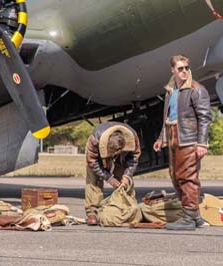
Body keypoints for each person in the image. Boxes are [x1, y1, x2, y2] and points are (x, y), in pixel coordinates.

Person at [153, 54, 212, 230]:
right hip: (173, 137)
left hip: (188, 140)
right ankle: (195, 217)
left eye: (186, 68)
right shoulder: (170, 90)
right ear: (173, 70)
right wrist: (161, 138)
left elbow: (205, 118)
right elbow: (167, 117)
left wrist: (202, 144)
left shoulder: (196, 89)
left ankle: (189, 217)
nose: (184, 71)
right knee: (175, 176)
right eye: (180, 69)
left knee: (187, 178)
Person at [85, 121, 141, 225]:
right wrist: (108, 177)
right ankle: (92, 212)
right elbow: (92, 161)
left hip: (123, 157)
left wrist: (127, 175)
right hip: (97, 158)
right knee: (94, 179)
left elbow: (134, 158)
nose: (114, 154)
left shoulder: (132, 138)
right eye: (112, 152)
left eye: (116, 152)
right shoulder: (95, 140)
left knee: (125, 182)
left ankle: (128, 208)